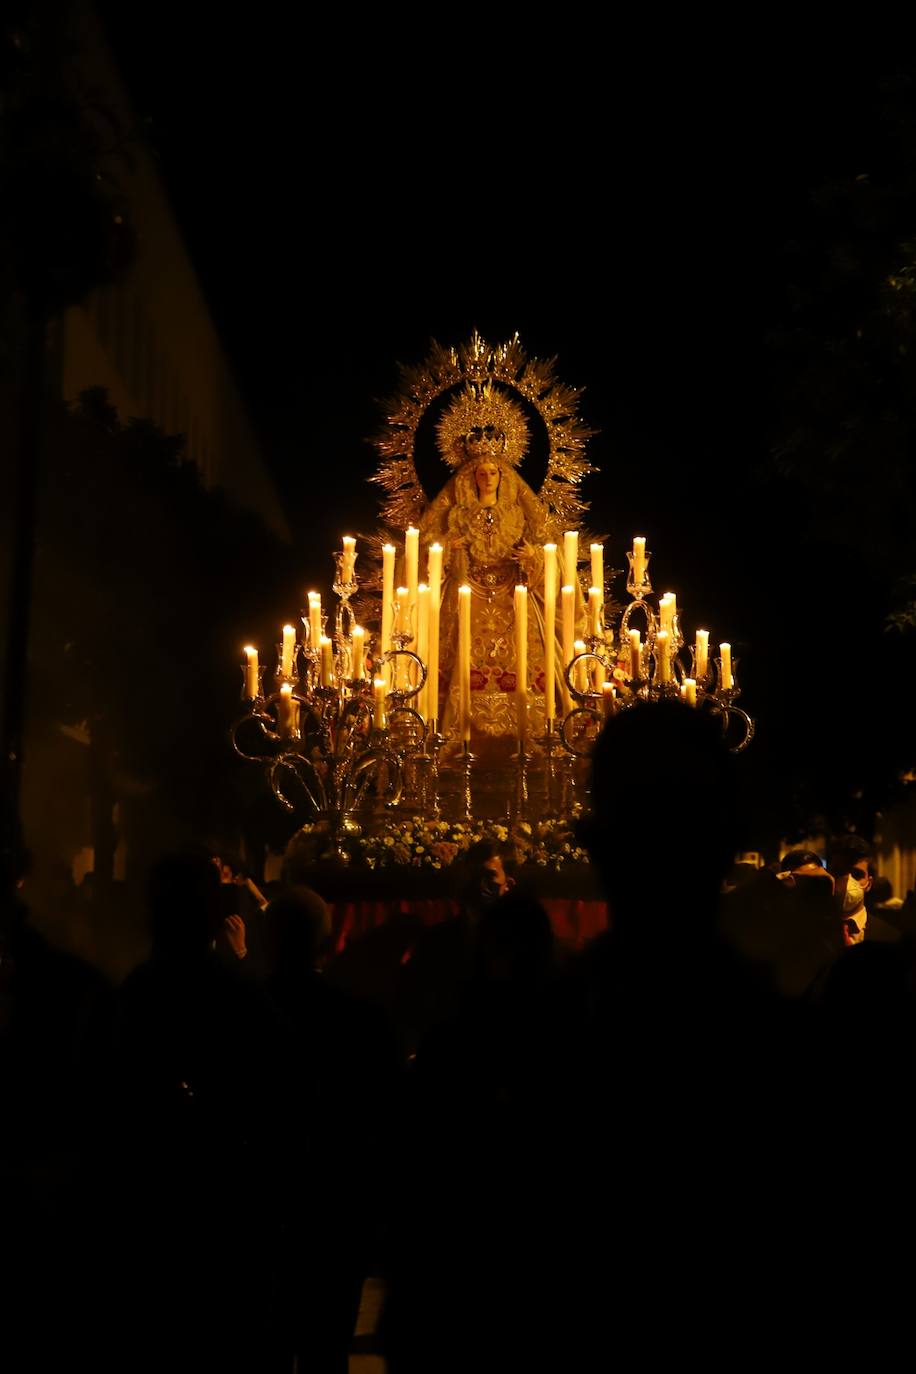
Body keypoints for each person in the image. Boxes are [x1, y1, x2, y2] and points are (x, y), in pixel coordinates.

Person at [417, 382, 582, 765]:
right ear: (471, 476)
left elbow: (547, 547)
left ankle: (533, 739)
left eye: (494, 471)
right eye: (481, 472)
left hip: (514, 597)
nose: (488, 476)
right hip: (466, 595)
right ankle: (455, 738)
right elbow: (426, 542)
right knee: (459, 659)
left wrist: (532, 558)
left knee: (527, 663)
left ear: (503, 476)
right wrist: (446, 548)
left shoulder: (519, 511)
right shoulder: (455, 509)